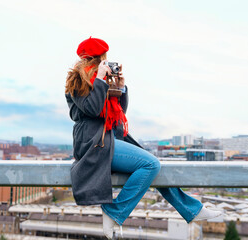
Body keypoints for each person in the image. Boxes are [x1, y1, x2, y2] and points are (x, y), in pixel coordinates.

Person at [65, 36, 224, 239]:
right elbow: (93, 109)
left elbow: (119, 114)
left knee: (156, 167)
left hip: (110, 139)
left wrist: (120, 88)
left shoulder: (99, 79)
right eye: (104, 58)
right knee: (151, 165)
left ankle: (193, 211)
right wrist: (99, 81)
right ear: (96, 58)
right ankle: (114, 211)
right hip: (94, 144)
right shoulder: (78, 81)